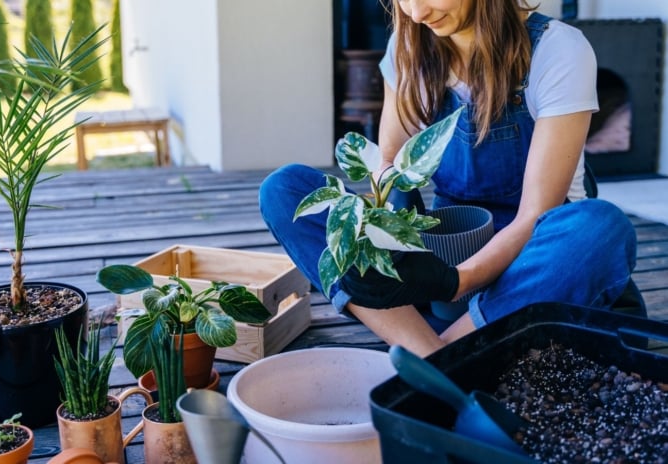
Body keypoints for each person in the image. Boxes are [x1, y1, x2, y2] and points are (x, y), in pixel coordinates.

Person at [259, 0, 637, 357]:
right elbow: (388, 164)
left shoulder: (557, 51)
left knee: (602, 229)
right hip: (443, 252)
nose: (417, 12)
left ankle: (442, 356)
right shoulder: (408, 46)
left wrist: (454, 281)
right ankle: (435, 352)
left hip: (533, 258)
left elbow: (534, 214)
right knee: (284, 189)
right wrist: (385, 239)